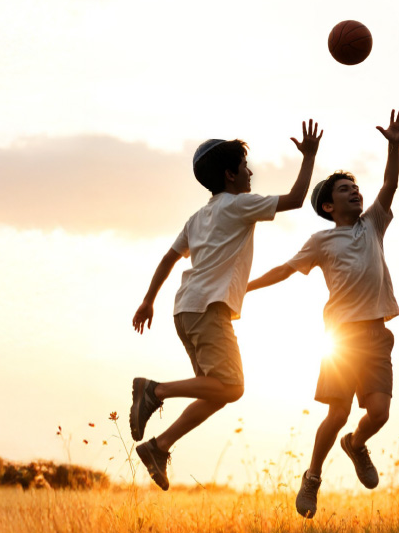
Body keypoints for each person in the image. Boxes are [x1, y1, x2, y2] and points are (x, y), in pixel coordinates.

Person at [129, 120, 322, 491]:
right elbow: (297, 199)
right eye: (245, 167)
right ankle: (155, 391)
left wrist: (148, 301)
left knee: (213, 390)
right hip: (209, 309)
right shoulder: (239, 205)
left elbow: (169, 259)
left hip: (185, 310)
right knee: (231, 387)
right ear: (230, 174)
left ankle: (159, 447)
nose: (251, 173)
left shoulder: (198, 217)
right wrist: (309, 157)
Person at [247, 109, 399, 518]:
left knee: (379, 413)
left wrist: (395, 146)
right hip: (341, 339)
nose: (355, 192)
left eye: (355, 188)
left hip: (377, 335)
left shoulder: (373, 224)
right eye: (344, 189)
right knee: (337, 412)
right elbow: (285, 269)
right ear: (327, 204)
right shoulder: (321, 240)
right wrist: (244, 287)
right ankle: (313, 477)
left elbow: (390, 184)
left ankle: (355, 445)